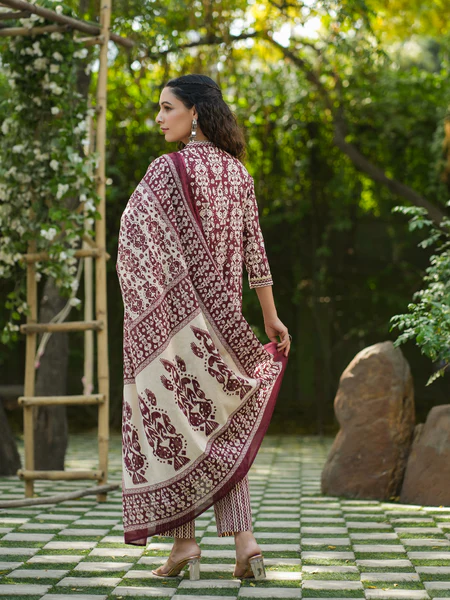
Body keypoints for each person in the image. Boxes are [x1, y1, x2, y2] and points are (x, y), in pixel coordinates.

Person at [116, 73, 291, 582]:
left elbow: (131, 240)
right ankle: (245, 544)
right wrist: (271, 316)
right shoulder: (239, 174)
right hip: (224, 331)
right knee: (223, 430)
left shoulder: (166, 170)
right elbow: (256, 252)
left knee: (179, 430)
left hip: (175, 331)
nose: (159, 118)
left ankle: (185, 546)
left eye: (167, 107)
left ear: (194, 112)